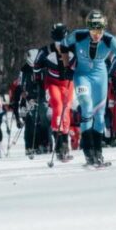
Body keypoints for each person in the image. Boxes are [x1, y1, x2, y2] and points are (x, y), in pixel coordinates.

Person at [62, 10, 116, 166]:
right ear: (88, 28)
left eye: (100, 31)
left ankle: (98, 153)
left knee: (99, 116)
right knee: (86, 106)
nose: (97, 35)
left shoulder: (109, 40)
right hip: (82, 75)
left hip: (100, 77)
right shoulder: (78, 35)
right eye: (93, 31)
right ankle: (88, 151)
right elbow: (63, 46)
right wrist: (66, 67)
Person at [34, 22, 77, 163]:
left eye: (62, 40)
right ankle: (59, 145)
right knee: (57, 107)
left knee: (66, 111)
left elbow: (82, 63)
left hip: (68, 84)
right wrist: (38, 80)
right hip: (52, 83)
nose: (60, 45)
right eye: (58, 41)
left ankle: (65, 144)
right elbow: (36, 66)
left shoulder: (74, 49)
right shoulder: (46, 51)